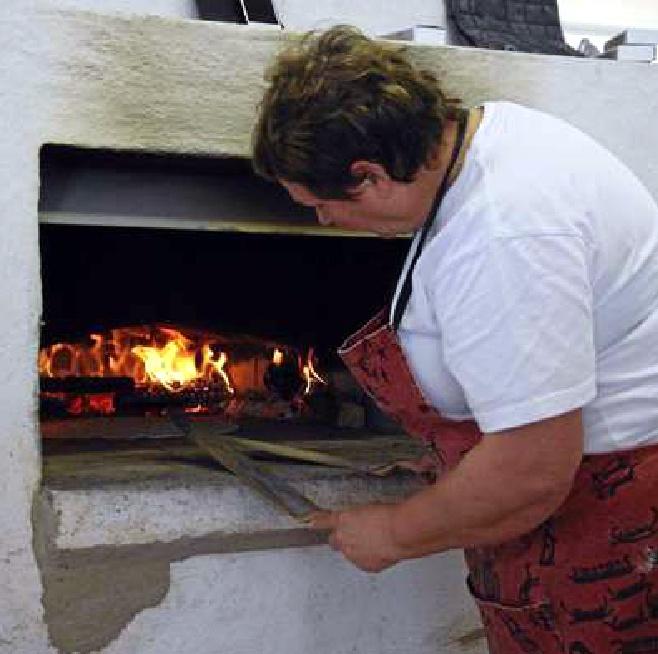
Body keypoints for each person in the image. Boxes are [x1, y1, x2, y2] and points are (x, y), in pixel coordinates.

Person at [252, 25, 658, 652]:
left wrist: (390, 532)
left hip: (600, 522)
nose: (323, 220)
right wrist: (457, 453)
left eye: (316, 203)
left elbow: (530, 471)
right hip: (574, 490)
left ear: (369, 175)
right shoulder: (484, 140)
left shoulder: (503, 234)